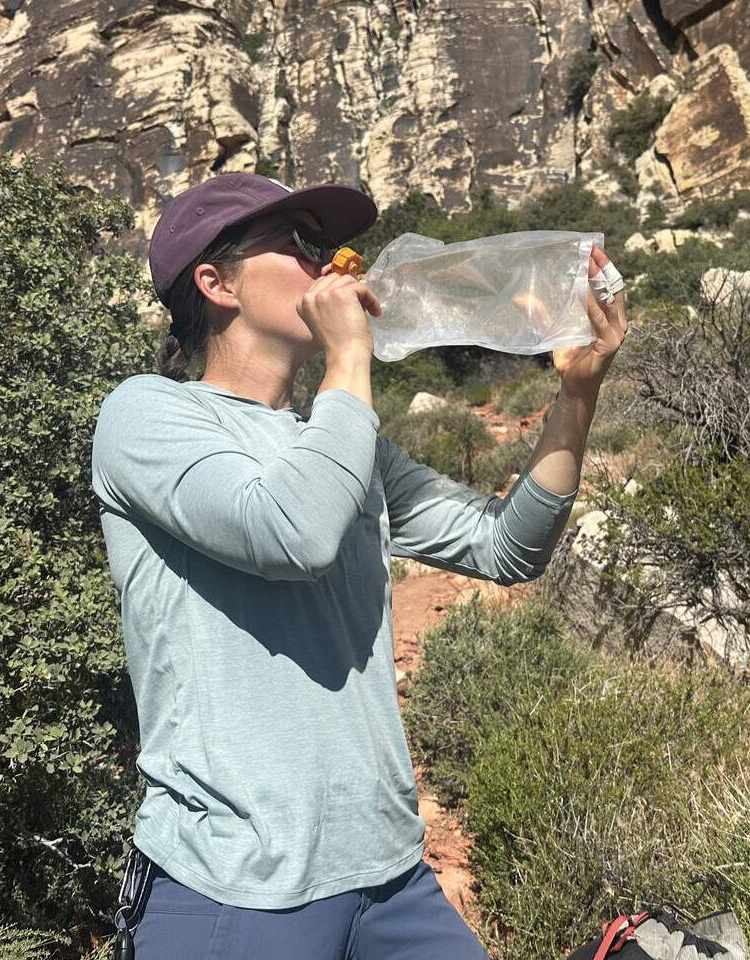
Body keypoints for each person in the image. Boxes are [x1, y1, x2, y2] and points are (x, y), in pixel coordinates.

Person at [91, 172, 628, 959]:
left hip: (388, 878)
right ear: (216, 282)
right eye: (302, 246)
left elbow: (507, 547)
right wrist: (350, 357)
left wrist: (576, 397)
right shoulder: (147, 414)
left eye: (329, 245)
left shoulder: (346, 442)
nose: (335, 264)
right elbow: (292, 533)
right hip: (231, 887)